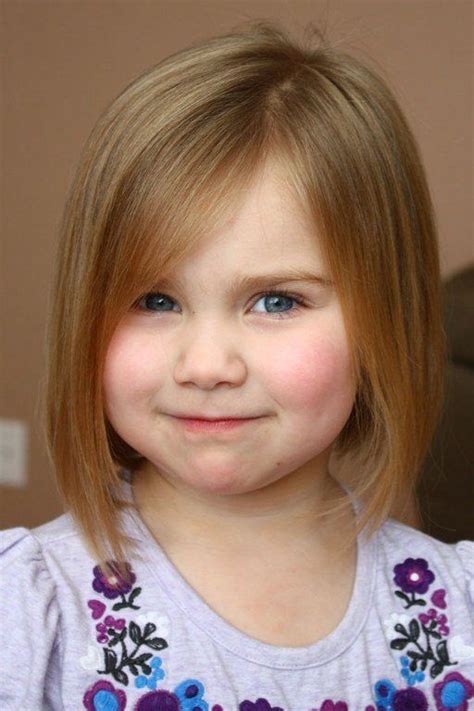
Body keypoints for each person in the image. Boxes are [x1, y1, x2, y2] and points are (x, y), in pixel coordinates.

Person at [1, 20, 472, 710]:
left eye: (277, 300)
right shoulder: (30, 614)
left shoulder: (459, 611)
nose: (207, 364)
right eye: (155, 299)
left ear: (384, 317)